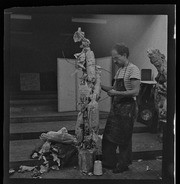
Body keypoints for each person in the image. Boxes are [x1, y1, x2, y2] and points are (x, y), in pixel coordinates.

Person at [101, 43, 141, 173]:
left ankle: (123, 165)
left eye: (116, 58)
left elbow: (135, 91)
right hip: (117, 107)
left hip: (128, 108)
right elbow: (113, 88)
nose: (114, 61)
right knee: (108, 135)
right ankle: (109, 163)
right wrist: (98, 84)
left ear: (124, 55)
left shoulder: (133, 69)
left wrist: (116, 93)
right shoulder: (119, 71)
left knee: (124, 137)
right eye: (113, 58)